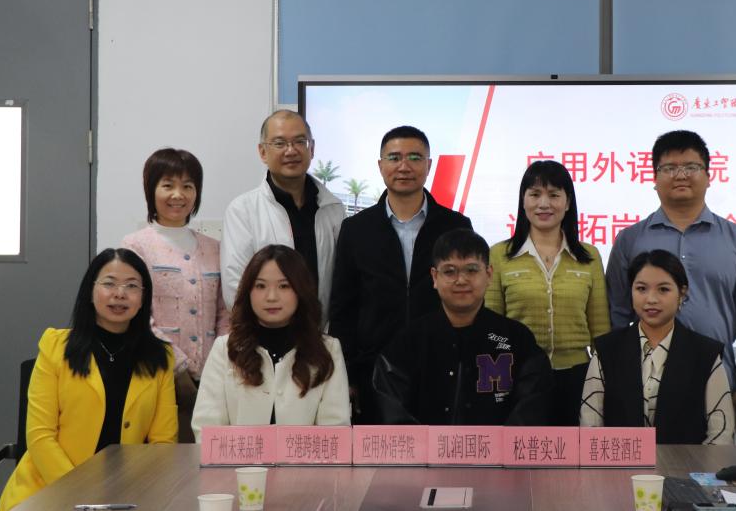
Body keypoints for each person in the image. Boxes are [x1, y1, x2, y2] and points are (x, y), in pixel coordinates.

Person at [605, 129, 736, 431]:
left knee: (713, 459)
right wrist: (616, 378)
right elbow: (616, 315)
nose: (680, 175)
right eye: (669, 168)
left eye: (691, 167)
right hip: (643, 382)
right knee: (643, 461)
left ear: (709, 175)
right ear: (654, 178)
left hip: (716, 376)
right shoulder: (630, 239)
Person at [0, 249, 176, 511]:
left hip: (126, 497)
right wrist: (82, 494)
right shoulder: (55, 347)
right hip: (48, 490)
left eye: (131, 286)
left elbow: (162, 444)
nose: (120, 294)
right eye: (109, 283)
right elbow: (40, 436)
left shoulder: (159, 357)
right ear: (90, 292)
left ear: (144, 298)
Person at [328, 125, 472, 423]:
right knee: (379, 452)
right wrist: (347, 375)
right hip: (373, 370)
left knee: (441, 450)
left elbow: (469, 298)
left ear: (429, 165)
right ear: (380, 165)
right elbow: (343, 308)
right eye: (394, 158)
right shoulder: (356, 229)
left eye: (415, 158)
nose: (404, 166)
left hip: (442, 366)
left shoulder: (455, 225)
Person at [373, 228, 553, 425]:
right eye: (449, 271)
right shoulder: (408, 342)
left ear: (489, 274)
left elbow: (530, 409)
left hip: (499, 445)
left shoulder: (517, 339)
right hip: (425, 446)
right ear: (434, 277)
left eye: (472, 270)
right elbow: (393, 413)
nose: (461, 280)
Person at [485, 160, 609, 426]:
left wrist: (604, 378)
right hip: (519, 375)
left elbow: (600, 327)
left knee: (576, 449)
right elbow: (491, 328)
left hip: (578, 377)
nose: (544, 204)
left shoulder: (589, 256)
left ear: (567, 202)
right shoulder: (499, 255)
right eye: (535, 194)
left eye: (554, 195)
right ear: (523, 201)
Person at [121, 147, 228, 443]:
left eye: (188, 186)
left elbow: (224, 312)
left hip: (212, 379)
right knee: (163, 456)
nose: (178, 195)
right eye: (167, 185)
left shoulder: (214, 247)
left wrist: (219, 362)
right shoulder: (136, 246)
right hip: (157, 374)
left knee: (205, 454)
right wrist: (177, 367)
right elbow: (138, 316)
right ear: (151, 189)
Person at [192, 245, 350, 441]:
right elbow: (207, 430)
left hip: (305, 462)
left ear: (300, 291)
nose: (271, 297)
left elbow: (335, 433)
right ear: (248, 291)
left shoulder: (328, 350)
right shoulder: (224, 349)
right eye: (260, 286)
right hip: (238, 461)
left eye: (284, 286)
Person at [581, 250, 732, 444]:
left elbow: (721, 431)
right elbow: (591, 422)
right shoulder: (607, 349)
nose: (651, 299)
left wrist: (694, 464)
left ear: (682, 293)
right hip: (620, 462)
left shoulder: (705, 354)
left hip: (686, 463)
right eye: (641, 289)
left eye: (663, 289)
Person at [221, 110, 345, 317]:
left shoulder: (333, 209)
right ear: (263, 152)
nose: (291, 150)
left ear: (312, 148)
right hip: (264, 333)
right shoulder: (242, 211)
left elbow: (341, 282)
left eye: (300, 142)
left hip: (320, 333)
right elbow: (235, 286)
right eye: (279, 143)